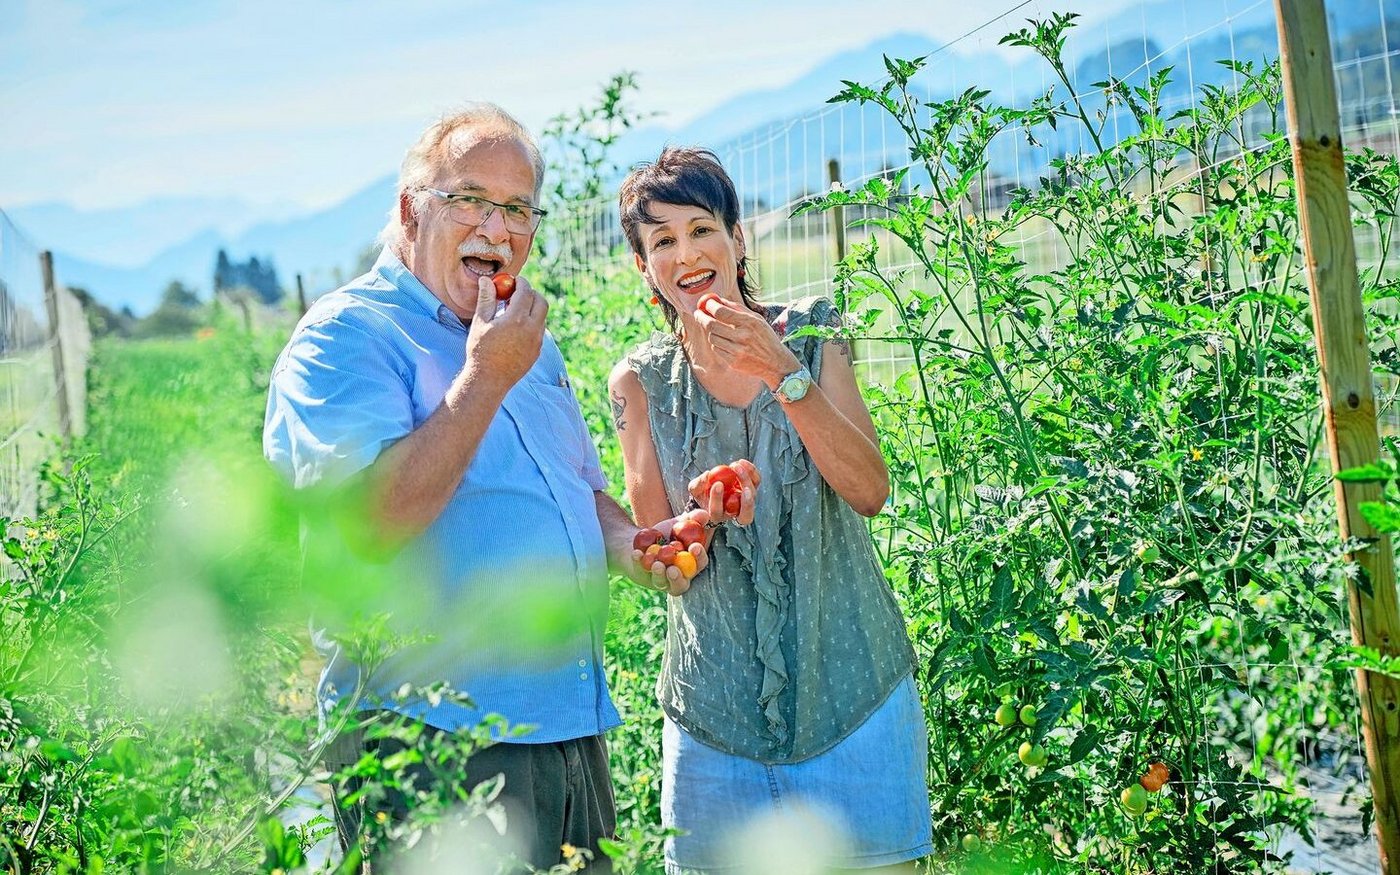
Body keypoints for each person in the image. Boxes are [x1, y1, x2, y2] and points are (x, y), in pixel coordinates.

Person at [263, 103, 702, 871]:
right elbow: (367, 522)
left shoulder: (524, 336)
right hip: (432, 740)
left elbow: (572, 490)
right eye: (470, 198)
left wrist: (631, 544)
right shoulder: (347, 337)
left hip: (565, 727)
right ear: (410, 209)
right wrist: (485, 377)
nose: (497, 230)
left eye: (517, 209)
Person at [608, 147, 933, 873]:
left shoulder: (812, 336)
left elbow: (869, 490)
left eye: (701, 230)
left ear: (738, 239)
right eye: (661, 241)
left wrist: (781, 373)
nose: (686, 254)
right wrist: (698, 524)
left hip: (853, 699)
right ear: (643, 266)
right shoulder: (639, 384)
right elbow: (663, 557)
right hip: (714, 726)